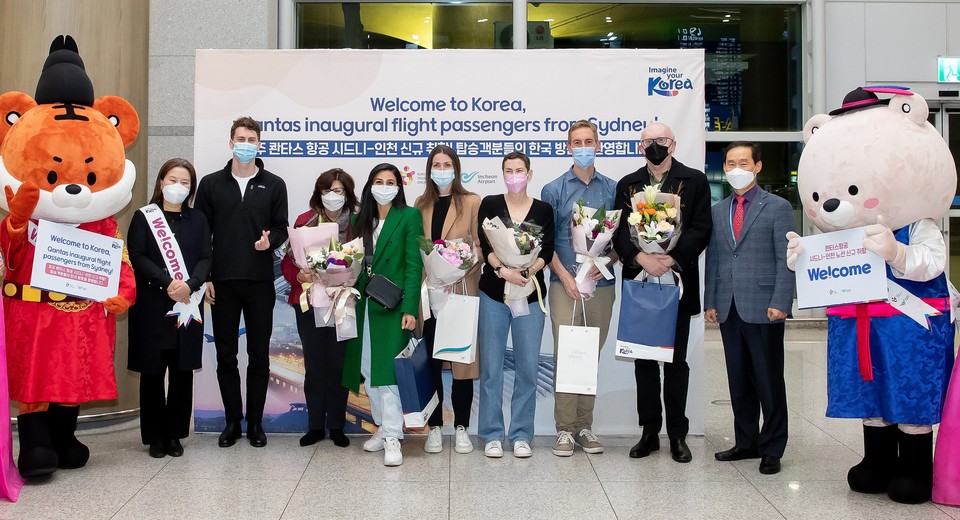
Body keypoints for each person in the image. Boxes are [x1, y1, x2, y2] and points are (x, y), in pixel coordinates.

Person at [613, 121, 712, 463]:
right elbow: (619, 233)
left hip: (677, 282)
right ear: (640, 146)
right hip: (641, 281)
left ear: (672, 143)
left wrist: (670, 258)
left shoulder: (694, 180)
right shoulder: (628, 185)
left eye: (660, 140)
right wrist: (641, 256)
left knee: (675, 362)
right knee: (643, 361)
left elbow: (701, 228)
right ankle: (649, 432)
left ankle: (678, 435)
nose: (653, 145)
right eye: (647, 141)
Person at [194, 116, 289, 449]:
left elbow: (281, 228)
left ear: (259, 144)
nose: (246, 144)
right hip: (222, 283)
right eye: (241, 138)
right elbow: (200, 234)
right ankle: (232, 421)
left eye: (252, 139)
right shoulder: (210, 184)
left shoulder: (274, 184)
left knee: (260, 357)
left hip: (260, 283)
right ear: (231, 142)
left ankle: (256, 424)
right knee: (225, 356)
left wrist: (270, 241)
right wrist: (205, 277)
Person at [704, 142, 794, 475]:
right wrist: (710, 300)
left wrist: (781, 301)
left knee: (768, 380)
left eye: (743, 162)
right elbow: (715, 257)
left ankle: (772, 447)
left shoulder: (778, 207)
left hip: (763, 305)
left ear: (757, 166)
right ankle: (746, 442)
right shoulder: (719, 209)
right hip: (728, 307)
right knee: (738, 380)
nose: (736, 168)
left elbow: (786, 259)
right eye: (730, 163)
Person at [541, 120, 619, 457]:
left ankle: (585, 427)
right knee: (568, 354)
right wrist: (566, 276)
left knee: (590, 354)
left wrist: (607, 262)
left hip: (601, 285)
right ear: (568, 147)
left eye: (589, 141)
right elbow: (545, 243)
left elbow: (622, 242)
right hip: (564, 285)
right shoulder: (554, 189)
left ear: (598, 145)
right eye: (577, 142)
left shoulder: (614, 188)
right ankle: (564, 429)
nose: (583, 147)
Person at [127, 158, 212, 458]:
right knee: (152, 372)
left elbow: (205, 257)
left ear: (191, 188)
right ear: (161, 182)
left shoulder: (198, 219)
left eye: (185, 182)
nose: (178, 186)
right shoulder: (143, 217)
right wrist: (167, 283)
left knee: (181, 371)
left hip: (187, 304)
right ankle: (154, 436)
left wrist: (190, 284)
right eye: (173, 180)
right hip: (153, 304)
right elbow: (137, 255)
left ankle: (175, 433)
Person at [342, 163, 422, 467]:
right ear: (370, 185)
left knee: (388, 373)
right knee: (368, 371)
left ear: (399, 187)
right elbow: (349, 261)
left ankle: (392, 436)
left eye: (390, 182)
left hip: (392, 305)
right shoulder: (358, 218)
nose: (384, 186)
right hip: (362, 304)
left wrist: (410, 308)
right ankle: (381, 426)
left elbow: (414, 265)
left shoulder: (409, 216)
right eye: (379, 181)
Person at [477, 151, 555, 459]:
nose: (514, 176)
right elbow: (484, 244)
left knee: (527, 368)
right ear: (502, 173)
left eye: (519, 170)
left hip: (530, 295)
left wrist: (528, 271)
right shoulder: (491, 204)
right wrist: (502, 269)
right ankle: (492, 434)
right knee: (492, 368)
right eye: (508, 171)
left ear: (529, 174)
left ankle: (522, 433)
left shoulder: (544, 209)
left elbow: (547, 249)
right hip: (494, 294)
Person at [280, 168, 359, 448]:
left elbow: (366, 260)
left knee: (338, 364)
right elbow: (287, 262)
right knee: (314, 365)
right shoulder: (305, 220)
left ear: (347, 194)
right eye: (327, 191)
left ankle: (336, 426)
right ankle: (314, 426)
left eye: (339, 191)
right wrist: (299, 275)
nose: (333, 196)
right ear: (319, 193)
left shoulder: (358, 224)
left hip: (343, 301)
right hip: (309, 300)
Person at [415, 145, 482, 455]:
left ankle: (462, 427)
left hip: (460, 293)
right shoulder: (420, 204)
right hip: (430, 297)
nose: (441, 169)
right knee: (430, 364)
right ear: (429, 170)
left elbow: (480, 248)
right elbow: (418, 252)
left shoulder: (471, 202)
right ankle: (436, 428)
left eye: (447, 164)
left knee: (461, 365)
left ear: (456, 168)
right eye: (436, 164)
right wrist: (435, 276)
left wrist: (457, 269)